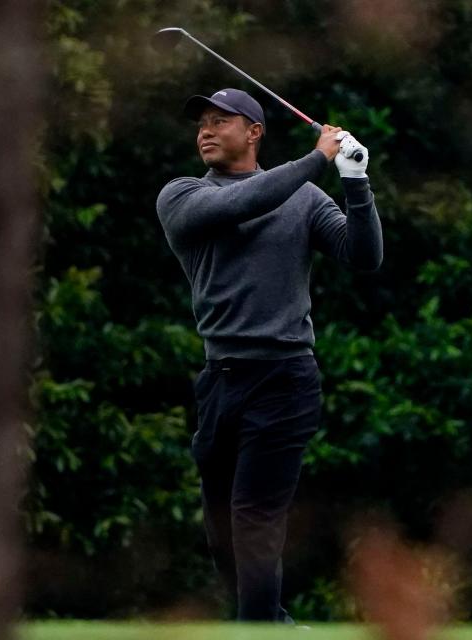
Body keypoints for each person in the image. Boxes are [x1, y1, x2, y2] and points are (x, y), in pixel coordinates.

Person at [155, 88, 383, 622]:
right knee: (221, 528)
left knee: (254, 516)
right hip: (220, 381)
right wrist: (317, 159)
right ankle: (269, 622)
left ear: (254, 131)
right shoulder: (182, 195)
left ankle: (256, 628)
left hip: (285, 379)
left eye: (220, 121)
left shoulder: (304, 198)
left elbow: (364, 255)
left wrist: (355, 181)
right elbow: (245, 202)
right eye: (201, 124)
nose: (205, 131)